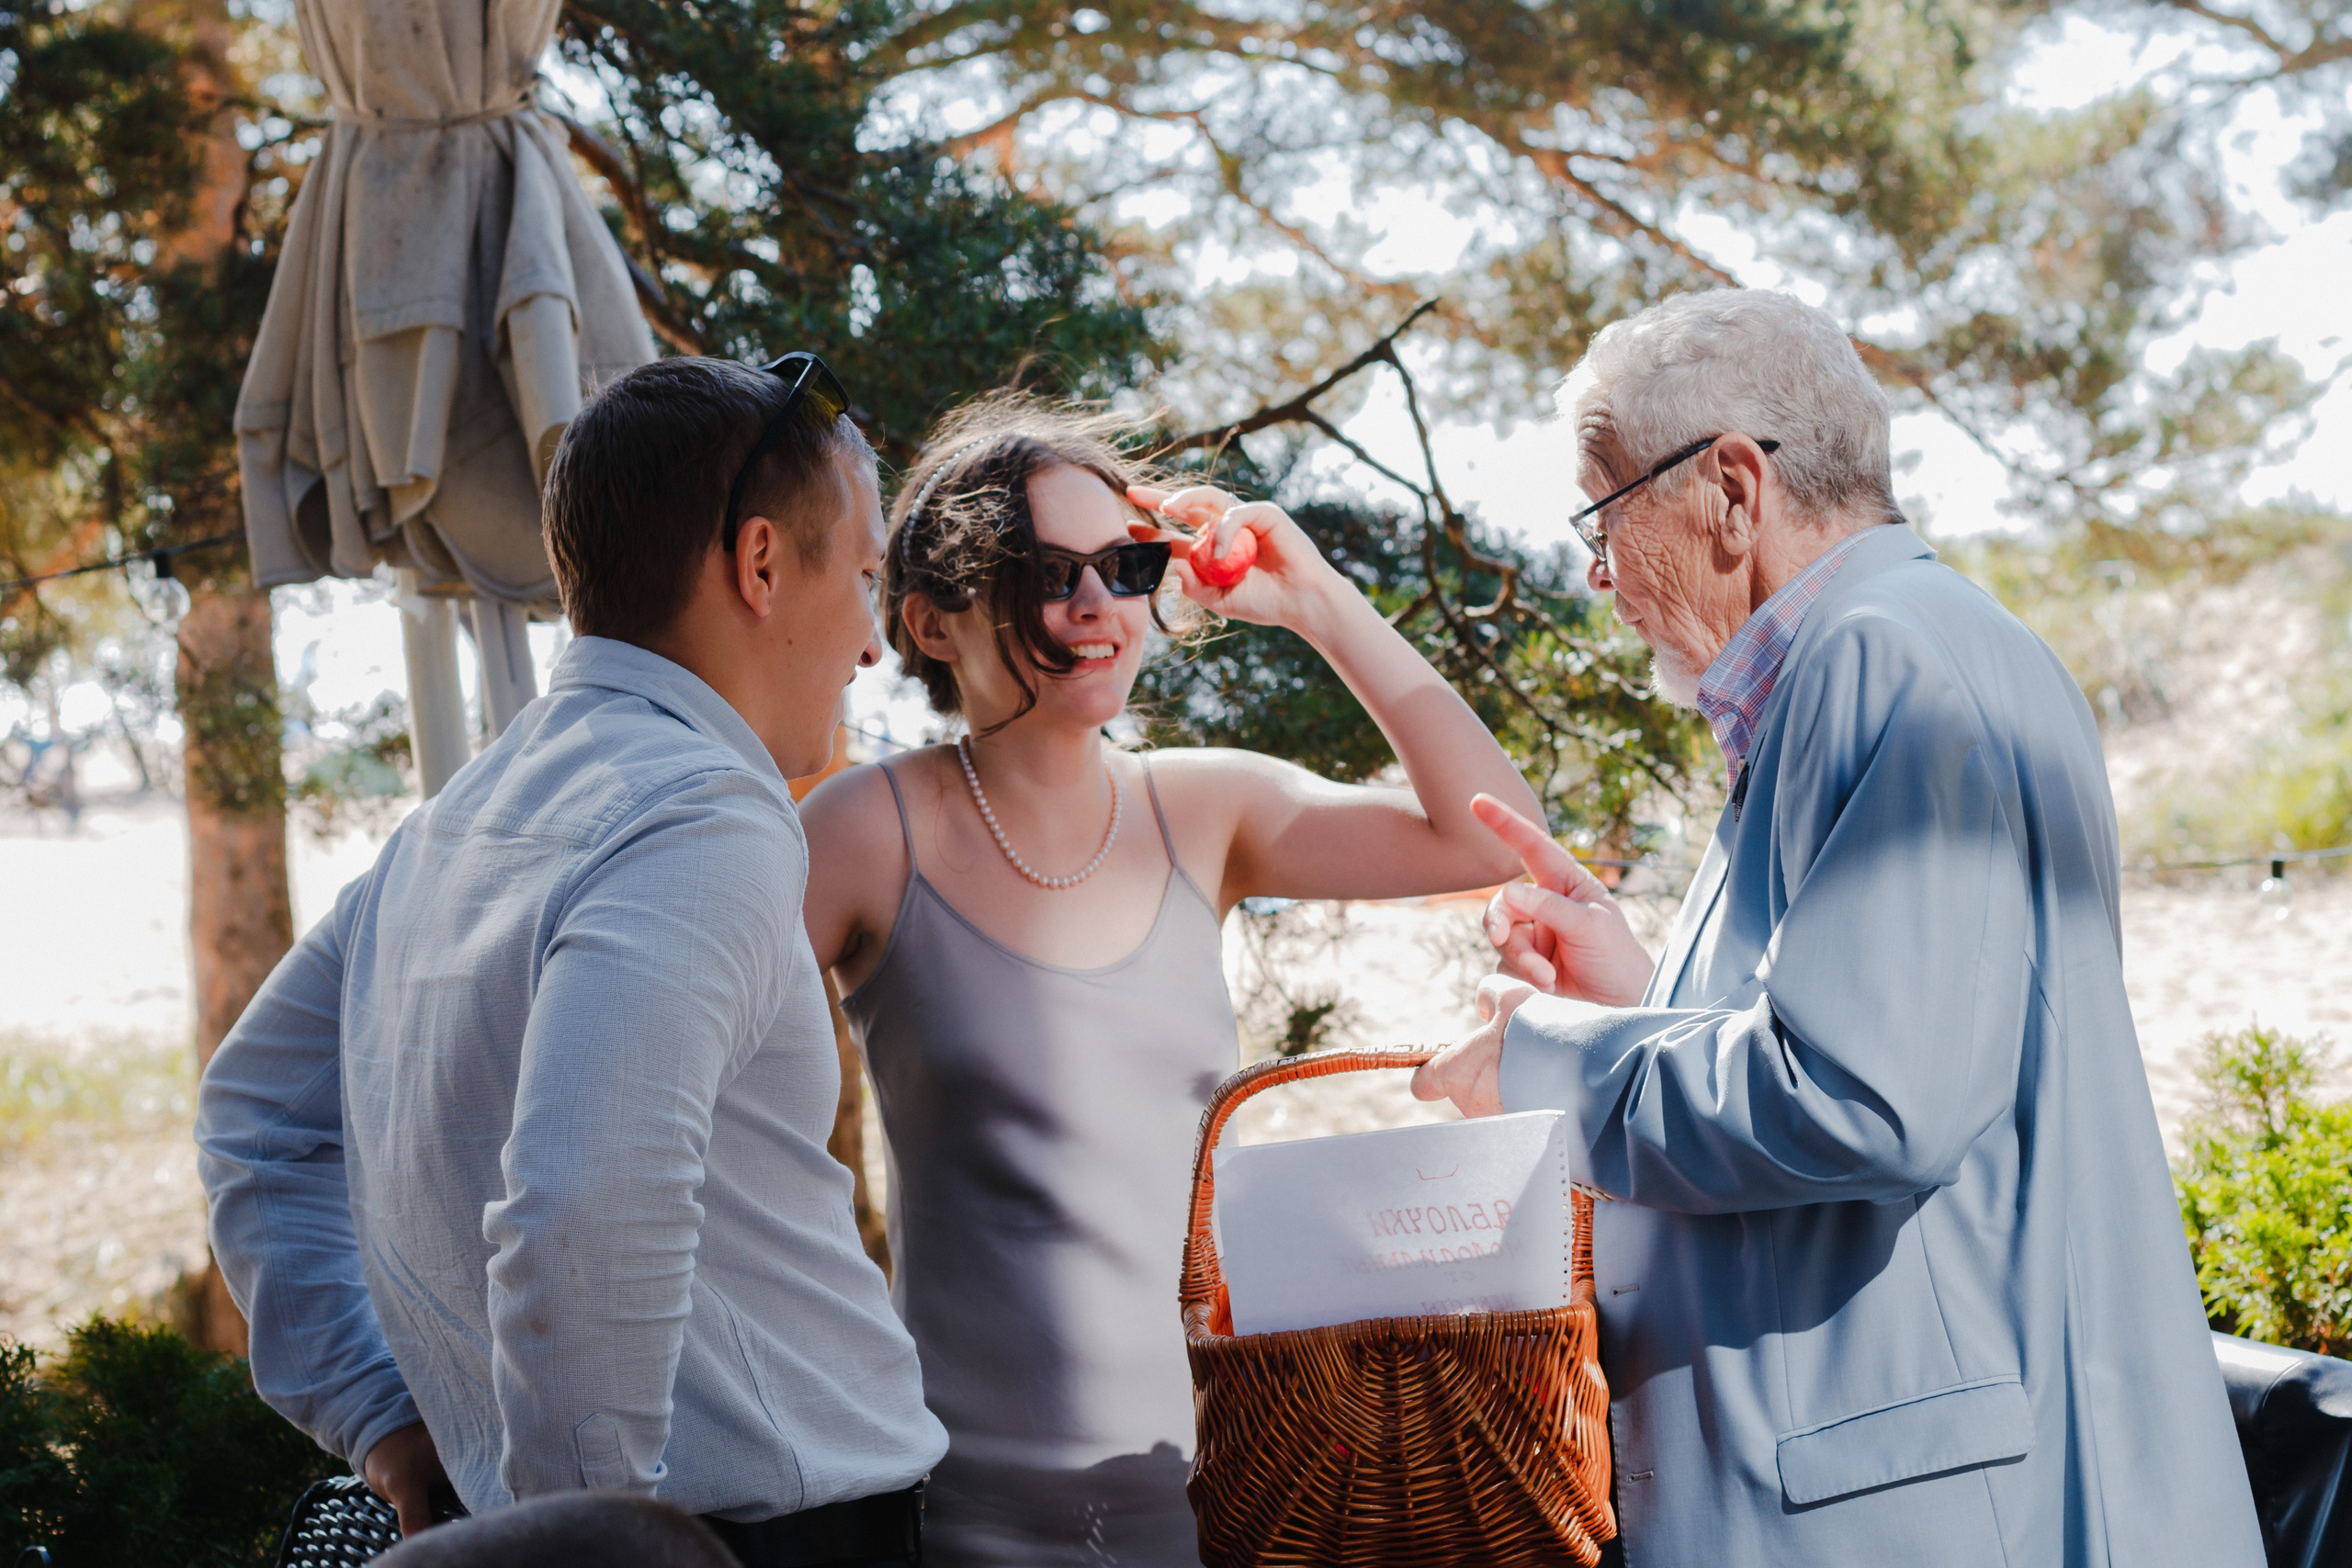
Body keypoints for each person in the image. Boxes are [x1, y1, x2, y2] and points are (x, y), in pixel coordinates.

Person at [1410, 289, 2265, 1566]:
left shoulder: (1877, 658)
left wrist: (1546, 1057)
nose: (1596, 574)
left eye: (1602, 518)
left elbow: (1866, 1097)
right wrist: (1637, 996)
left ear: (1732, 490)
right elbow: (1897, 1040)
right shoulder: (1932, 643)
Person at [196, 355, 947, 1568]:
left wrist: (382, 1416)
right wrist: (581, 1541)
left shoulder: (451, 820)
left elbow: (253, 1116)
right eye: (864, 576)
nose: (871, 643)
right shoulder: (702, 815)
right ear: (760, 564)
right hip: (758, 1537)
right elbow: (585, 1210)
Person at [798, 394, 1544, 1565]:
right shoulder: (862, 831)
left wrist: (1318, 604)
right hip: (964, 1523)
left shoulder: (1203, 808)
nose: (1097, 605)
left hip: (1232, 1503)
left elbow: (1491, 838)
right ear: (931, 622)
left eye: (1126, 565)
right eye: (1047, 574)